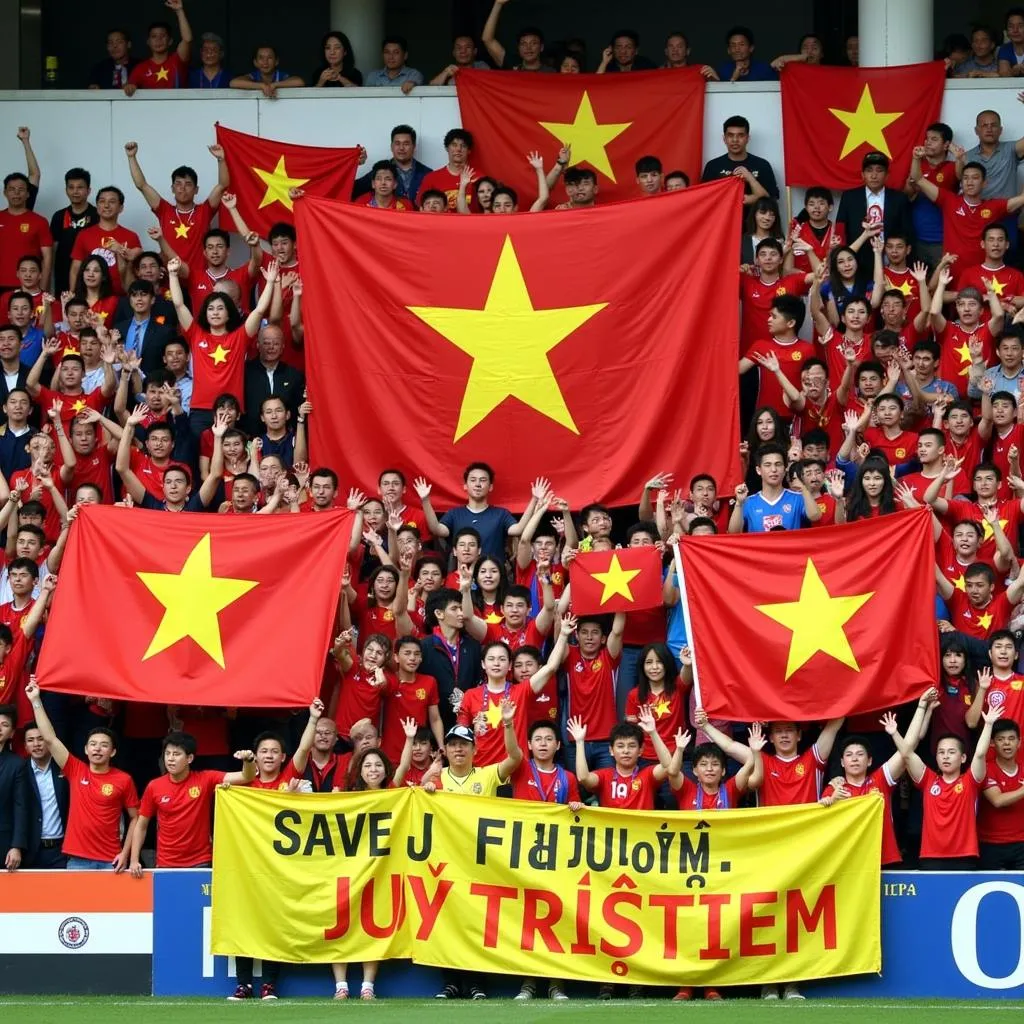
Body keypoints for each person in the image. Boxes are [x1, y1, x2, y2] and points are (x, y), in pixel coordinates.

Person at [228, 702, 322, 1001]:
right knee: (244, 921)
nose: (269, 756)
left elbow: (305, 750)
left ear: (283, 757)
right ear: (256, 756)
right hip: (248, 866)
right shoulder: (245, 784)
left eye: (274, 752)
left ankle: (269, 985)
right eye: (264, 751)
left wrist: (314, 719)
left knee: (273, 924)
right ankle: (243, 984)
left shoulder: (288, 779)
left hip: (281, 867)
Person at [427, 706, 521, 1001]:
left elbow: (516, 758)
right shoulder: (438, 778)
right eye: (453, 745)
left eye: (464, 745)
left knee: (479, 923)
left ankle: (477, 983)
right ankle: (452, 982)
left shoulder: (488, 775)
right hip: (446, 863)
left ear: (474, 749)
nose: (458, 750)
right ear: (447, 749)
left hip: (481, 865)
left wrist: (507, 724)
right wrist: (426, 788)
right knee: (447, 923)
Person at [25, 675, 139, 871]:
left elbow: (136, 818)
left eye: (104, 745)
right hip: (77, 860)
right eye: (93, 744)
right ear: (85, 749)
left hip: (111, 860)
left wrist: (125, 853)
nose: (97, 749)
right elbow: (51, 739)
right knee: (76, 904)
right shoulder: (75, 769)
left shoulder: (124, 779)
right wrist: (35, 700)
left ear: (112, 752)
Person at [891, 690, 1002, 869]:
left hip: (965, 857)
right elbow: (907, 754)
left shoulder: (970, 781)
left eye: (951, 752)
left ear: (963, 758)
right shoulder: (928, 780)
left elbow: (980, 754)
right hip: (930, 856)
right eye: (941, 752)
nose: (946, 757)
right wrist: (900, 727)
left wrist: (988, 724)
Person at [129, 732, 256, 873]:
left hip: (200, 862)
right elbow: (141, 825)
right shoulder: (154, 786)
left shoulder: (206, 779)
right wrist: (134, 860)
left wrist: (249, 760)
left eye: (176, 754)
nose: (170, 759)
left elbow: (246, 776)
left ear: (189, 758)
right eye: (167, 754)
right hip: (166, 863)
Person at [124, 140, 229, 274]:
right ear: (172, 188)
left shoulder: (204, 211)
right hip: (170, 279)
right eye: (178, 184)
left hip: (198, 279)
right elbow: (142, 185)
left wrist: (221, 159)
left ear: (196, 189)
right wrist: (131, 157)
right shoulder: (164, 210)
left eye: (188, 184)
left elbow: (223, 186)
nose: (182, 188)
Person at [913, 162, 1024, 272]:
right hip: (952, 272)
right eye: (965, 178)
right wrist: (916, 157)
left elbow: (1022, 198)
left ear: (984, 183)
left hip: (980, 275)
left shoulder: (993, 206)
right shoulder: (949, 200)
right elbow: (918, 179)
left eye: (975, 178)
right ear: (961, 182)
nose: (969, 182)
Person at [835, 152, 914, 276]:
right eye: (869, 170)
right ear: (863, 175)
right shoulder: (849, 197)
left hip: (890, 259)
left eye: (879, 170)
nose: (873, 175)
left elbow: (907, 232)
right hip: (857, 258)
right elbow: (840, 229)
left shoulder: (899, 198)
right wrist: (842, 255)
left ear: (887, 175)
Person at [730, 444, 822, 531]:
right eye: (767, 465)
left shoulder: (798, 498)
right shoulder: (748, 501)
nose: (773, 470)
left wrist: (804, 488)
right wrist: (739, 503)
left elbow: (815, 517)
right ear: (758, 470)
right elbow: (734, 532)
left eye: (778, 464)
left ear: (785, 468)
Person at [906, 125, 958, 270]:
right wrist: (913, 186)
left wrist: (960, 158)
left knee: (941, 284)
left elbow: (963, 177)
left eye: (934, 139)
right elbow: (907, 195)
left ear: (946, 145)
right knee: (916, 284)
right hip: (916, 239)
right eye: (927, 139)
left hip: (942, 239)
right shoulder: (917, 165)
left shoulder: (952, 167)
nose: (928, 142)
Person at [21, 719, 70, 868]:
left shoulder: (65, 769)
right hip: (28, 850)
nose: (36, 744)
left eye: (41, 738)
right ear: (25, 746)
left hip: (60, 850)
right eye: (31, 740)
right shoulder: (19, 771)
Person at [700, 116, 779, 206]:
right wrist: (738, 199)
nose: (735, 140)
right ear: (724, 139)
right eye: (730, 135)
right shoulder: (713, 166)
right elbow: (705, 199)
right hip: (723, 220)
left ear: (747, 138)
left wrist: (750, 178)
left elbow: (772, 199)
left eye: (740, 135)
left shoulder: (763, 165)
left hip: (753, 220)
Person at [978, 718, 1024, 869]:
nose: (1006, 743)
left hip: (1021, 844)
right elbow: (997, 800)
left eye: (1011, 739)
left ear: (1019, 742)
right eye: (1001, 739)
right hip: (991, 845)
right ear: (992, 743)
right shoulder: (986, 769)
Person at [352, 126, 432, 206]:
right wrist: (354, 164)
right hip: (388, 218)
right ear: (391, 146)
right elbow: (349, 191)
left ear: (414, 147)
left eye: (406, 144)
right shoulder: (380, 171)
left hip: (418, 218)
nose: (401, 148)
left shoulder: (428, 174)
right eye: (397, 143)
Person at [0, 169, 52, 293]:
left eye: (21, 189)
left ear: (28, 194)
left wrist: (43, 290)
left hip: (29, 286)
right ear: (5, 193)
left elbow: (47, 258)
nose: (16, 193)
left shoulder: (40, 221)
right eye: (12, 189)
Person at [49, 168, 99, 296]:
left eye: (80, 187)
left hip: (91, 277)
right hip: (62, 277)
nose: (75, 191)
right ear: (66, 190)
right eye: (71, 187)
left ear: (88, 191)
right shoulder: (59, 216)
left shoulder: (97, 215)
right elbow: (53, 250)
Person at [124, 1, 193, 93]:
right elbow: (129, 89)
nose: (158, 40)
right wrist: (129, 87)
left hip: (178, 106)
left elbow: (187, 39)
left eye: (162, 36)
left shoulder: (177, 60)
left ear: (170, 41)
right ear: (148, 42)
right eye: (154, 36)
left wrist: (179, 11)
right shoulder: (140, 68)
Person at [482, 1, 553, 72]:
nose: (528, 48)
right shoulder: (512, 64)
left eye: (533, 43)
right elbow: (487, 39)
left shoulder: (551, 73)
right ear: (518, 48)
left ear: (541, 47)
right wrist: (498, 4)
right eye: (523, 44)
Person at [418, 130, 478, 211]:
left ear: (469, 150)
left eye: (463, 146)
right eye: (454, 145)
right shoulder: (431, 178)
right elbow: (421, 209)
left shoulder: (479, 178)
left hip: (471, 223)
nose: (458, 149)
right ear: (447, 148)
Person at [0, 704, 26, 872]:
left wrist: (16, 846)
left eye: (5, 725)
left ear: (12, 733)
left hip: (3, 840)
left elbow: (20, 806)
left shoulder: (17, 764)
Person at [230, 44, 304, 97]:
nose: (265, 62)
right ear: (255, 62)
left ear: (276, 61)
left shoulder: (281, 76)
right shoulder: (253, 76)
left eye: (270, 58)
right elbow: (233, 83)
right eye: (261, 58)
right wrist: (261, 86)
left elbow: (299, 82)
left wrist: (275, 85)